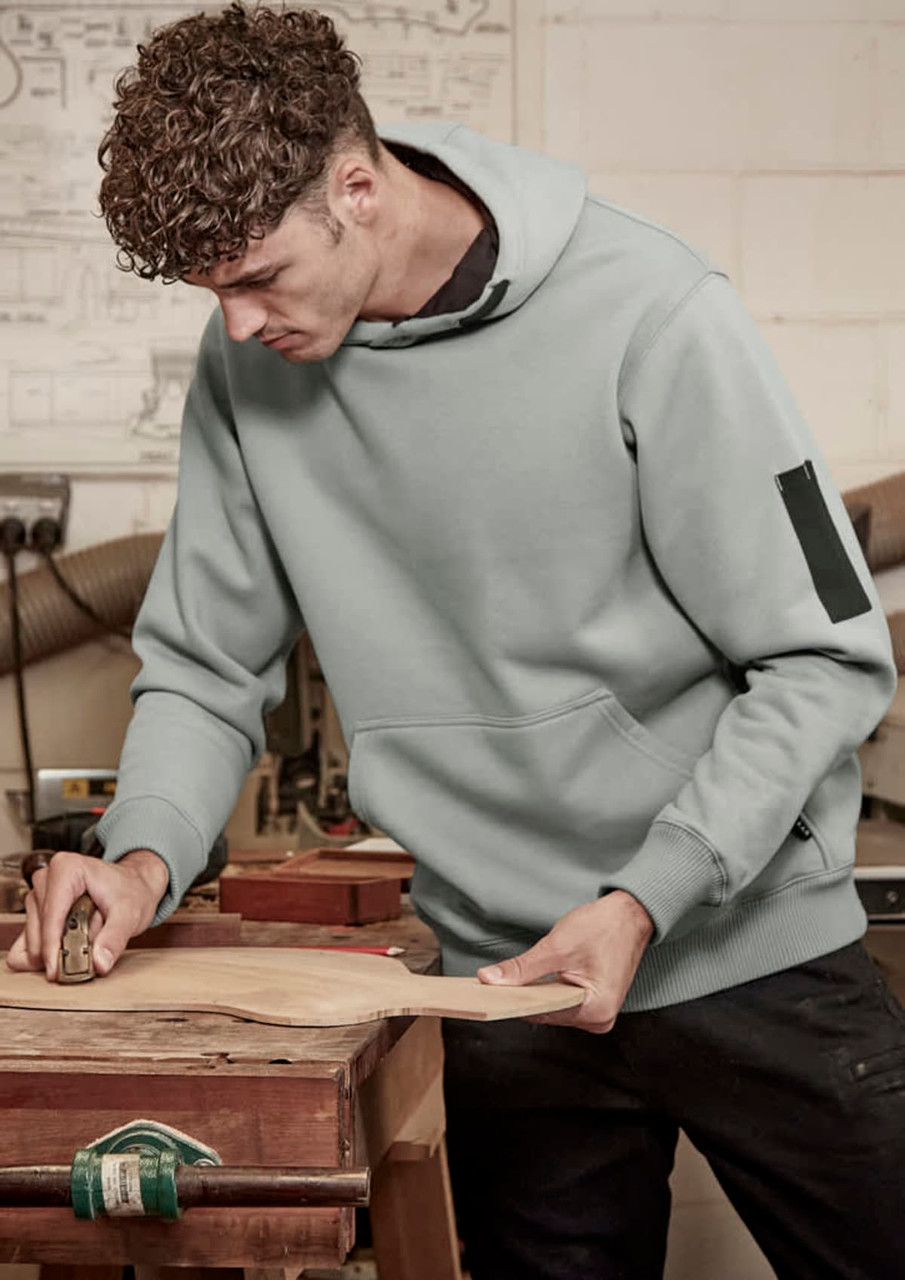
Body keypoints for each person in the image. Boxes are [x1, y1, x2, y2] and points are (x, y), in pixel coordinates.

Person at [9, 4, 905, 1276]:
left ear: (357, 187)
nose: (237, 327)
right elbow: (208, 665)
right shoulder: (248, 366)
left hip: (747, 938)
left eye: (258, 278)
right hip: (499, 978)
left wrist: (647, 894)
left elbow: (822, 655)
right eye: (214, 293)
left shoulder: (651, 312)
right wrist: (140, 861)